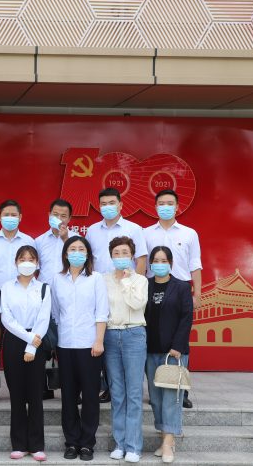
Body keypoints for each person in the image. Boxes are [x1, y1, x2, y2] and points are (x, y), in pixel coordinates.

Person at [85, 187, 147, 403]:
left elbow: (141, 260)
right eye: (103, 204)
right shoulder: (92, 230)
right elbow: (89, 260)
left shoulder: (134, 228)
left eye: (112, 203)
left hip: (126, 290)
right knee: (103, 335)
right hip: (101, 288)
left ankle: (122, 389)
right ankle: (108, 386)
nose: (107, 207)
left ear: (120, 205)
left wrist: (135, 284)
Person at [51, 236, 108, 462]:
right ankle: (72, 442)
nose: (76, 252)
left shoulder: (96, 279)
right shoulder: (57, 279)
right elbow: (55, 312)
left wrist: (99, 340)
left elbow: (101, 312)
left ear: (88, 254)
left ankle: (87, 443)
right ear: (65, 254)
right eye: (72, 249)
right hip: (65, 344)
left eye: (81, 249)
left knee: (90, 396)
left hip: (90, 345)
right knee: (68, 396)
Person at [144, 189, 201, 409]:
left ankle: (181, 390)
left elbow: (195, 264)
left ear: (177, 207)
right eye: (161, 203)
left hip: (180, 290)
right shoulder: (146, 233)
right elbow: (142, 263)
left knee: (180, 337)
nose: (165, 207)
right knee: (155, 337)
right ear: (155, 206)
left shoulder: (189, 233)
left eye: (170, 203)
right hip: (153, 289)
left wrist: (197, 294)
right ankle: (156, 388)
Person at [0, 245, 51, 462]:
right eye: (22, 259)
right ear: (16, 262)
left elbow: (44, 318)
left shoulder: (44, 288)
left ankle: (36, 445)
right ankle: (19, 444)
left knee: (35, 395)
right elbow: (6, 318)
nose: (27, 262)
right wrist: (28, 339)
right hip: (14, 340)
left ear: (37, 263)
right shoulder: (6, 287)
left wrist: (32, 346)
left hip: (37, 340)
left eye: (31, 259)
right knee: (17, 395)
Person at [0, 199, 35, 403]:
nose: (10, 218)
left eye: (14, 215)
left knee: (20, 338)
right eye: (6, 215)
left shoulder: (29, 241)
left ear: (20, 217)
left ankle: (23, 387)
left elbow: (34, 268)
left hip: (21, 294)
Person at [145, 246, 194, 464]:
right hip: (149, 350)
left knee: (172, 398)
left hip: (173, 352)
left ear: (171, 264)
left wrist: (177, 346)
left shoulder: (181, 287)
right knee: (156, 399)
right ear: (150, 264)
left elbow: (186, 317)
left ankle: (168, 441)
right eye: (155, 260)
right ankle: (164, 436)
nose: (159, 264)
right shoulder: (145, 285)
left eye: (163, 261)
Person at [104, 236, 148, 463]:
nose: (121, 257)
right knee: (117, 392)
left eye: (125, 253)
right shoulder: (103, 279)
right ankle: (119, 443)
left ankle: (133, 446)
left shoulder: (140, 280)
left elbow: (137, 304)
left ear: (132, 256)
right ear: (111, 256)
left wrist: (125, 282)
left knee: (134, 392)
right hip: (111, 335)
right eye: (116, 253)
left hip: (134, 335)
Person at [35, 198, 77, 400]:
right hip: (45, 296)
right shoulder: (39, 241)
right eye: (55, 215)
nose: (59, 219)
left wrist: (65, 238)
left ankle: (72, 387)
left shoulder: (76, 240)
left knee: (68, 340)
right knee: (44, 340)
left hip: (70, 296)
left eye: (63, 216)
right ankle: (45, 386)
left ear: (70, 218)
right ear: (48, 215)